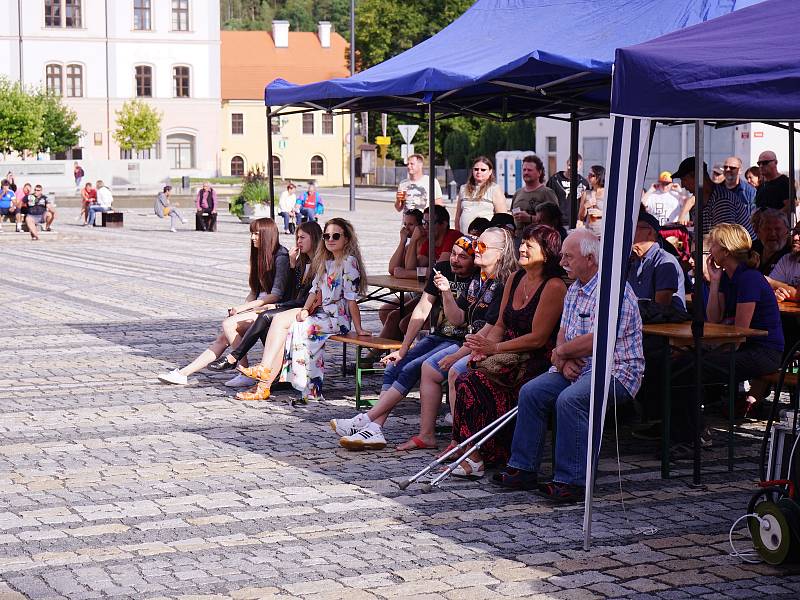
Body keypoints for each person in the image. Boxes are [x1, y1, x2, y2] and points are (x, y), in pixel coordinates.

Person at [493, 229, 643, 500]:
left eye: (569, 257)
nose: (562, 262)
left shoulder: (613, 291)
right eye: (562, 256)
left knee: (570, 400)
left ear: (590, 258)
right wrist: (562, 361)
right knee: (532, 392)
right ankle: (523, 468)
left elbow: (600, 341)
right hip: (577, 365)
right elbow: (564, 331)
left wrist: (560, 353)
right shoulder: (574, 288)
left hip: (616, 371)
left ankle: (571, 481)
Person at [334, 228, 516, 450]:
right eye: (455, 254)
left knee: (425, 368)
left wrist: (458, 353)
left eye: (475, 250)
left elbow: (486, 328)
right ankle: (376, 427)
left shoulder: (497, 281)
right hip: (452, 338)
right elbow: (449, 315)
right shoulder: (475, 280)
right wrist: (404, 347)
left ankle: (371, 420)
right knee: (398, 364)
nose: (458, 259)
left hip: (471, 344)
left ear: (499, 253)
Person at [445, 225, 567, 477]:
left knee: (478, 383)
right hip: (507, 352)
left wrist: (494, 348)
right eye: (522, 243)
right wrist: (484, 351)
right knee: (467, 377)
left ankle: (483, 454)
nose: (521, 248)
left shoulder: (554, 286)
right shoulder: (515, 278)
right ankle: (475, 451)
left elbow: (538, 338)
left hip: (535, 358)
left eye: (529, 246)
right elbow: (500, 324)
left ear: (546, 253)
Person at [670, 224, 783, 453]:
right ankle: (686, 429)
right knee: (679, 364)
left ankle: (694, 435)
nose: (709, 250)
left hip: (762, 352)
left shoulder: (749, 278)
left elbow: (740, 332)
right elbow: (714, 318)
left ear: (726, 250)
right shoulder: (729, 277)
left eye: (713, 245)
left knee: (690, 368)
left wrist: (712, 349)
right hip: (742, 348)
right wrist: (715, 282)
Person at [236, 218, 369, 403]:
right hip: (320, 313)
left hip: (337, 318)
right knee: (284, 326)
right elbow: (315, 290)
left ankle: (273, 381)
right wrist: (305, 309)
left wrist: (359, 328)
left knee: (294, 330)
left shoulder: (349, 262)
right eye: (327, 236)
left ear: (346, 239)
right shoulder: (325, 260)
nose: (330, 239)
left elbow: (351, 299)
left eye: (336, 236)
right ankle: (264, 381)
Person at [157, 218, 290, 386]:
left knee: (228, 325)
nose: (252, 238)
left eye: (256, 234)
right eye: (251, 234)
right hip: (258, 307)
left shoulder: (281, 256)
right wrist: (242, 309)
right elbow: (254, 291)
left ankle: (242, 371)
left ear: (267, 235)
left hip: (272, 310)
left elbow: (275, 295)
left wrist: (244, 308)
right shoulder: (259, 255)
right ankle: (183, 373)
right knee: (223, 338)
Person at [208, 221, 323, 373]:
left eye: (302, 238)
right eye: (297, 238)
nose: (298, 242)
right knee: (264, 320)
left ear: (314, 238)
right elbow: (293, 291)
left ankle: (235, 358)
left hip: (308, 309)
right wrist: (292, 264)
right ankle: (273, 373)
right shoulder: (303, 262)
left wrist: (276, 306)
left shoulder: (320, 264)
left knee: (265, 316)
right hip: (295, 306)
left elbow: (305, 298)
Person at [373, 209, 424, 345]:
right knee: (385, 310)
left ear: (421, 226)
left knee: (394, 316)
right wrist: (402, 242)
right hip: (414, 293)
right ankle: (395, 346)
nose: (406, 229)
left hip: (424, 294)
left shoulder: (425, 244)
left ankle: (375, 354)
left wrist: (412, 242)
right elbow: (392, 268)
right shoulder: (409, 244)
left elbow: (408, 269)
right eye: (405, 224)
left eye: (411, 225)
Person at [673, 157, 755, 238]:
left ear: (697, 177)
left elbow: (723, 240)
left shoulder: (722, 200)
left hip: (742, 250)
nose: (682, 185)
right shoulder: (701, 200)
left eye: (684, 179)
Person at [627, 211, 686, 310]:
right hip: (644, 322)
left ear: (650, 232)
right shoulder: (633, 261)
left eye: (634, 229)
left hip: (667, 324)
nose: (629, 232)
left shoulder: (664, 261)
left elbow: (661, 307)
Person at [454, 156, 507, 234]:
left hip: (486, 238)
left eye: (483, 170)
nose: (479, 172)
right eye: (476, 169)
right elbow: (458, 215)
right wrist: (457, 234)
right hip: (465, 238)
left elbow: (502, 217)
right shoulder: (463, 188)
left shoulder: (495, 189)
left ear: (490, 172)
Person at [510, 155, 559, 237]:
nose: (526, 172)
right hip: (518, 240)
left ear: (539, 172)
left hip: (539, 240)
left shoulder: (547, 193)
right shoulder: (518, 193)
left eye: (529, 170)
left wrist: (530, 218)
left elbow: (555, 220)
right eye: (524, 170)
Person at [404, 205, 462, 271]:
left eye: (430, 222)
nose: (425, 226)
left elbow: (440, 270)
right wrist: (413, 240)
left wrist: (405, 274)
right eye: (424, 222)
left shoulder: (453, 236)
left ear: (444, 224)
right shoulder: (429, 241)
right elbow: (410, 268)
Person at [546, 154, 590, 225]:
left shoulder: (583, 183)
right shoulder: (555, 180)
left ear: (580, 166)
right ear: (567, 163)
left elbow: (586, 204)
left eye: (575, 166)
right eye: (570, 164)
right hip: (557, 223)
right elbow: (547, 201)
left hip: (576, 223)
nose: (571, 168)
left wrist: (582, 220)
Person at [751, 209, 790, 276]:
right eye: (767, 229)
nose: (772, 234)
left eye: (777, 229)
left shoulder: (791, 255)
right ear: (759, 231)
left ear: (787, 232)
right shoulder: (752, 248)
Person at [767, 224, 800, 299]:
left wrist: (772, 282)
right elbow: (766, 287)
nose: (795, 237)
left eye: (799, 233)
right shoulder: (787, 259)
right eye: (794, 232)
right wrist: (777, 293)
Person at [577, 165, 605, 233]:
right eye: (588, 175)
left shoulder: (607, 193)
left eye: (591, 175)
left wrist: (601, 213)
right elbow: (581, 217)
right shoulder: (586, 193)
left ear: (599, 177)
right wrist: (585, 206)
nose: (588, 177)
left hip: (603, 233)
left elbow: (614, 213)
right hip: (589, 232)